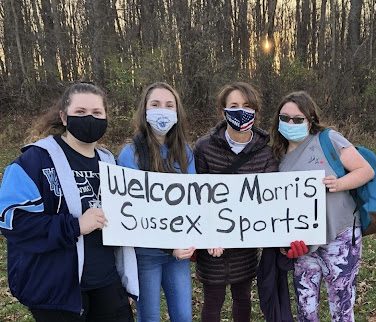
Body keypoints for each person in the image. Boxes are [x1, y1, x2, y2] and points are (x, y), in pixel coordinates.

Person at [0, 82, 138, 322]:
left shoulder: (111, 164)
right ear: (64, 117)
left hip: (106, 282)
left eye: (97, 113)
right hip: (57, 290)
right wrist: (74, 226)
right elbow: (12, 222)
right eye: (81, 112)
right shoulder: (32, 162)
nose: (90, 118)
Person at [268, 91, 374, 322]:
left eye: (297, 119)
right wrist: (284, 241)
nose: (290, 123)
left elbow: (365, 171)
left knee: (342, 304)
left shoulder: (328, 140)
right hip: (304, 243)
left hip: (340, 235)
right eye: (284, 118)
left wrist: (339, 183)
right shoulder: (277, 155)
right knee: (305, 307)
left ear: (310, 119)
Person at [193, 81, 278, 322]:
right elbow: (196, 195)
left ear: (256, 111)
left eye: (247, 105)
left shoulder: (265, 151)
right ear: (223, 111)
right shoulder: (204, 147)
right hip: (213, 244)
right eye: (234, 105)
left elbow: (271, 199)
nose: (241, 110)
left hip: (246, 241)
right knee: (213, 300)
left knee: (243, 298)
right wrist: (210, 233)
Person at [117, 82, 196, 322]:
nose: (163, 110)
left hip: (177, 255)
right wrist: (167, 245)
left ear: (177, 112)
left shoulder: (185, 152)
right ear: (145, 110)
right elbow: (132, 211)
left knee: (183, 316)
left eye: (169, 105)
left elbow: (193, 202)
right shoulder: (130, 155)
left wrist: (194, 238)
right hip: (146, 254)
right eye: (155, 104)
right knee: (149, 317)